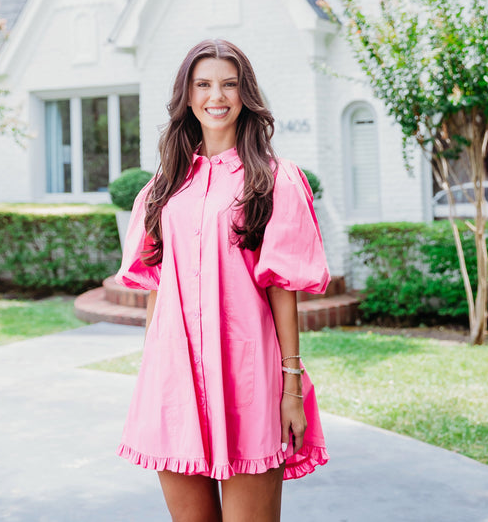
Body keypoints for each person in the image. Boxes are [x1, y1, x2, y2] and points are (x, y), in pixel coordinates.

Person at [115, 39, 330, 522]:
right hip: (174, 383)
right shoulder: (163, 187)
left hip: (248, 380)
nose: (218, 96)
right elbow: (156, 285)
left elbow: (282, 288)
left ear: (245, 95)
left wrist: (291, 388)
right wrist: (152, 375)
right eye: (204, 84)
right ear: (188, 97)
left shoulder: (275, 178)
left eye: (230, 84)